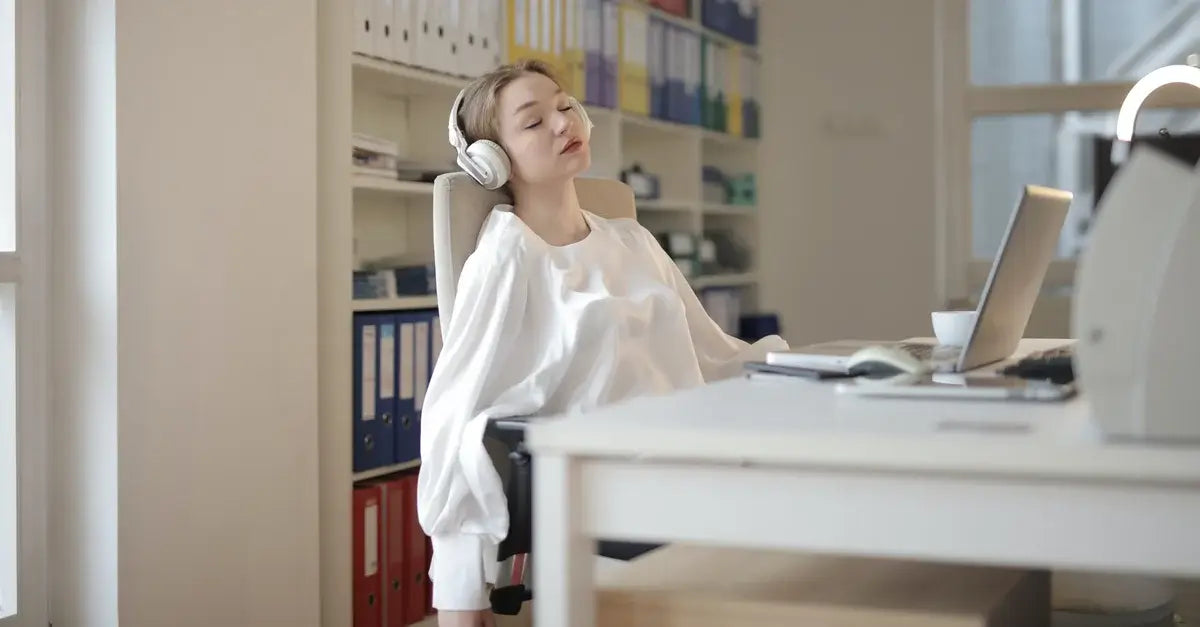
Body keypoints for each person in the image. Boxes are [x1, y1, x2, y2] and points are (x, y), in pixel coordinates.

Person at [417, 59, 788, 627]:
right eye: (534, 121)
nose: (564, 124)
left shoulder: (632, 240)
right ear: (492, 161)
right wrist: (459, 589)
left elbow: (713, 356)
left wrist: (829, 370)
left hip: (689, 462)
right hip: (620, 485)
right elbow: (458, 416)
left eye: (565, 108)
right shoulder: (508, 255)